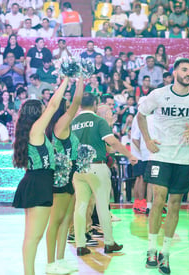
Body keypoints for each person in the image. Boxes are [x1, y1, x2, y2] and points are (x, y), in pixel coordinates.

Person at [138, 58, 189, 274]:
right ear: (174, 72)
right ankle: (151, 248)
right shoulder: (159, 94)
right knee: (159, 199)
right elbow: (141, 115)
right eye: (184, 69)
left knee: (175, 203)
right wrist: (148, 140)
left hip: (184, 159)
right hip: (161, 155)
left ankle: (166, 253)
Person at [12, 76, 69, 275]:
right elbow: (54, 105)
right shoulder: (36, 130)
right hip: (38, 183)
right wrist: (66, 79)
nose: (46, 109)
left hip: (36, 181)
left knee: (32, 236)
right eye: (42, 108)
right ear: (37, 113)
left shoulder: (35, 132)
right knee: (33, 237)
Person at [71, 92, 138, 256]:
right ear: (95, 104)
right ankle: (109, 242)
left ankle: (80, 244)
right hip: (96, 166)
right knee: (102, 205)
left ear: (80, 105)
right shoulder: (98, 121)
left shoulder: (73, 122)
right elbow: (112, 142)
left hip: (78, 168)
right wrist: (129, 156)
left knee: (80, 205)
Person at [44, 76, 83, 274]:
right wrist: (81, 78)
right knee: (56, 221)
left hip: (69, 176)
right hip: (59, 178)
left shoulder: (63, 125)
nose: (71, 109)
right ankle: (51, 263)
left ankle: (60, 259)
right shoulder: (60, 124)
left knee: (66, 220)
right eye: (67, 106)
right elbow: (77, 102)